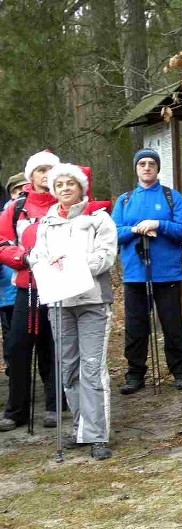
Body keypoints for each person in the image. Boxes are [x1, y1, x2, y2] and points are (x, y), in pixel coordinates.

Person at [30, 163, 117, 460]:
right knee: (69, 368)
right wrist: (46, 265)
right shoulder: (47, 222)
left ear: (81, 187)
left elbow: (106, 256)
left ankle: (97, 435)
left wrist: (74, 265)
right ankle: (81, 428)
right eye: (59, 185)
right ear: (53, 190)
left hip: (92, 301)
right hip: (60, 303)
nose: (65, 189)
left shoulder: (98, 218)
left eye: (70, 184)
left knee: (92, 368)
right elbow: (36, 256)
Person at [112, 148, 182, 394]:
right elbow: (112, 233)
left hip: (167, 273)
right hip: (135, 274)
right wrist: (135, 230)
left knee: (172, 324)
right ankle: (135, 374)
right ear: (136, 168)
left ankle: (180, 371)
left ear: (158, 169)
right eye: (142, 164)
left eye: (151, 164)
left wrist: (160, 224)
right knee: (135, 327)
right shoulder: (124, 200)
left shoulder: (171, 197)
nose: (147, 167)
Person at [0, 151, 60, 431]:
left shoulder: (63, 201)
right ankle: (16, 410)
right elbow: (2, 243)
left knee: (52, 345)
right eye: (41, 170)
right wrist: (22, 258)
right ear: (31, 175)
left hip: (58, 285)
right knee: (17, 347)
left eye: (51, 169)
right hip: (26, 285)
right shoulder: (15, 207)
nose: (46, 174)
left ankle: (54, 405)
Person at [0, 173, 27, 369]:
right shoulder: (4, 217)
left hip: (34, 291)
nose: (22, 194)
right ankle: (14, 374)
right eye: (18, 191)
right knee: (12, 339)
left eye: (25, 189)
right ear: (11, 194)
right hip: (8, 294)